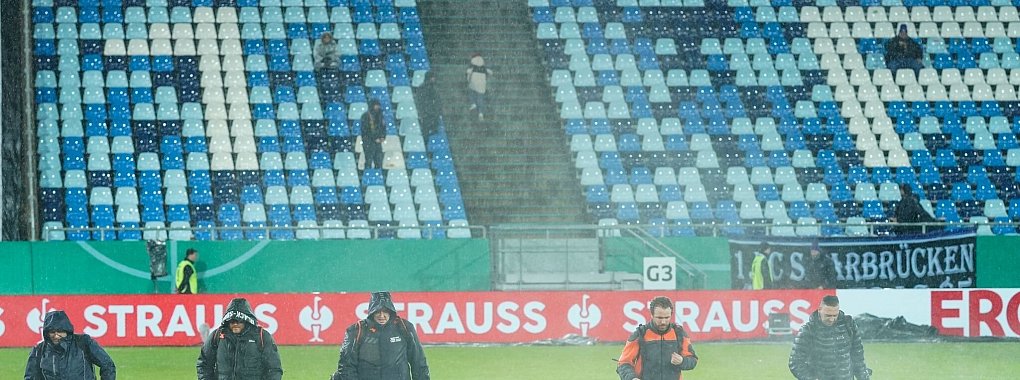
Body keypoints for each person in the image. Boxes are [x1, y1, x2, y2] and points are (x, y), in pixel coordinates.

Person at [330, 292, 430, 380]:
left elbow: (418, 362)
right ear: (372, 312)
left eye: (385, 311)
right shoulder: (357, 330)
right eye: (378, 311)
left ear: (391, 312)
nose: (382, 315)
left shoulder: (404, 327)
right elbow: (346, 366)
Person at [197, 298, 283, 380]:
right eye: (232, 321)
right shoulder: (217, 336)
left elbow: (274, 368)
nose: (235, 324)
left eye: (239, 320)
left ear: (246, 320)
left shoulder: (261, 336)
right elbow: (204, 364)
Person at [789, 295, 872, 380]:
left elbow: (858, 357)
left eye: (835, 315)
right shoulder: (808, 330)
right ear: (820, 310)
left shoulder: (849, 325)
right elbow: (795, 363)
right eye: (828, 315)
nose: (831, 319)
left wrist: (863, 376)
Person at [616, 296, 698, 380]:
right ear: (651, 315)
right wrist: (632, 378)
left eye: (667, 318)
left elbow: (693, 360)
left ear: (671, 315)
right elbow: (623, 363)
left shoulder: (679, 333)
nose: (663, 322)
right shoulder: (640, 334)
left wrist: (682, 361)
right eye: (659, 318)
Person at [24, 310, 116, 380]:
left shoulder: (84, 342)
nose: (56, 335)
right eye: (52, 332)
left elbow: (107, 365)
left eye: (60, 331)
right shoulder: (38, 351)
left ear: (67, 330)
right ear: (46, 333)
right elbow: (31, 378)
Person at [466, 53, 493, 121]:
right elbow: (490, 72)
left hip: (474, 79)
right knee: (480, 97)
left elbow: (468, 71)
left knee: (471, 91)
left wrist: (468, 78)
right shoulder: (483, 65)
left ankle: (473, 103)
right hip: (482, 81)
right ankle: (481, 113)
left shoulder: (473, 64)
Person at [415, 71, 442, 137]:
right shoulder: (423, 88)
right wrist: (423, 113)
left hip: (432, 114)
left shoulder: (434, 88)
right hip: (427, 114)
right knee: (427, 133)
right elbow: (419, 102)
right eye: (433, 77)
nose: (434, 79)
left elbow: (437, 101)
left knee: (432, 133)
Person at [360, 100, 386, 170]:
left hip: (378, 143)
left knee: (379, 161)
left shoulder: (380, 116)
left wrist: (383, 137)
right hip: (368, 142)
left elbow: (383, 127)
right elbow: (365, 131)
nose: (378, 107)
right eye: (376, 105)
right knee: (368, 161)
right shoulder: (365, 116)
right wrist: (375, 138)